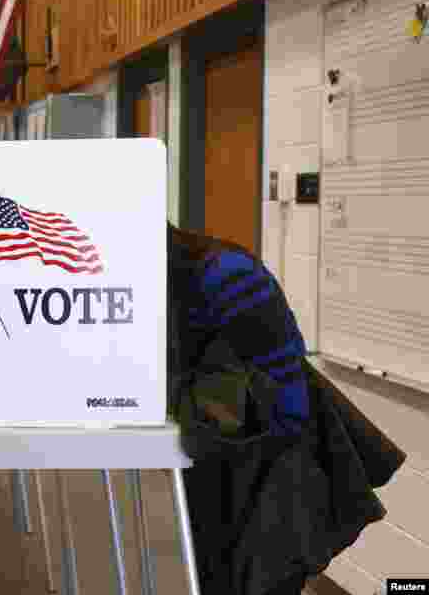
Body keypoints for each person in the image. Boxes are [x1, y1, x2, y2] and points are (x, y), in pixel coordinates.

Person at [168, 222, 403, 595]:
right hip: (206, 490)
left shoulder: (227, 276)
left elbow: (288, 408)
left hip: (261, 491)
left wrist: (181, 403)